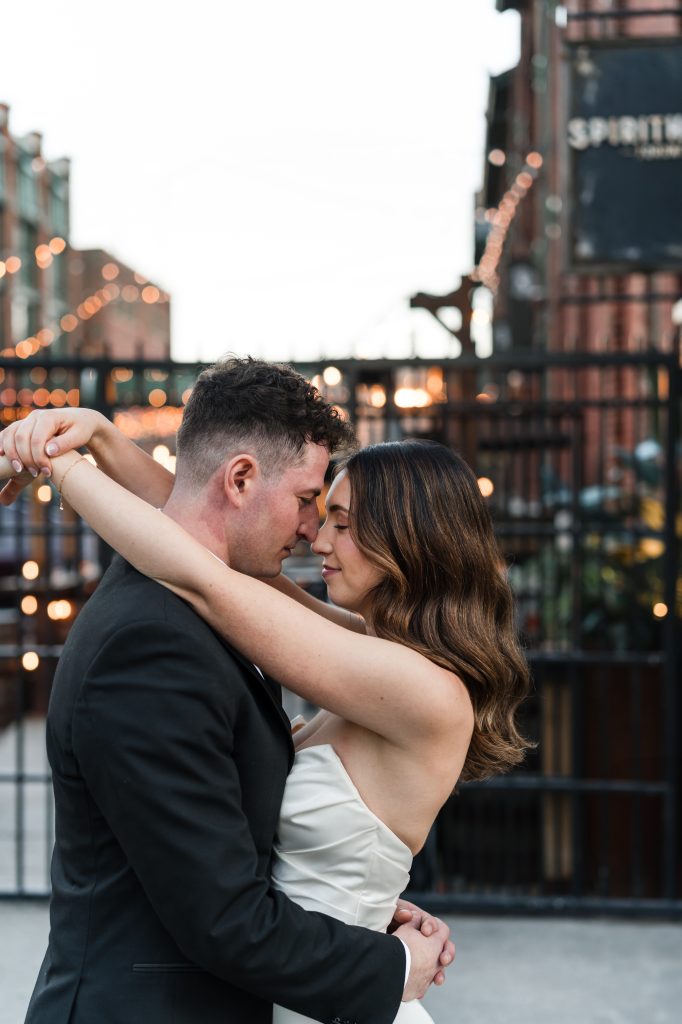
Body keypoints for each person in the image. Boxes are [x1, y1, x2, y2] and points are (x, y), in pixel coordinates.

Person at [1, 357, 531, 1023]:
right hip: (295, 979)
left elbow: (208, 573)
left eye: (338, 518)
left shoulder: (416, 685)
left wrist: (65, 466)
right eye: (316, 505)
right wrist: (103, 440)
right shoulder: (368, 649)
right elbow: (204, 538)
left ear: (405, 541)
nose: (316, 535)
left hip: (314, 992)